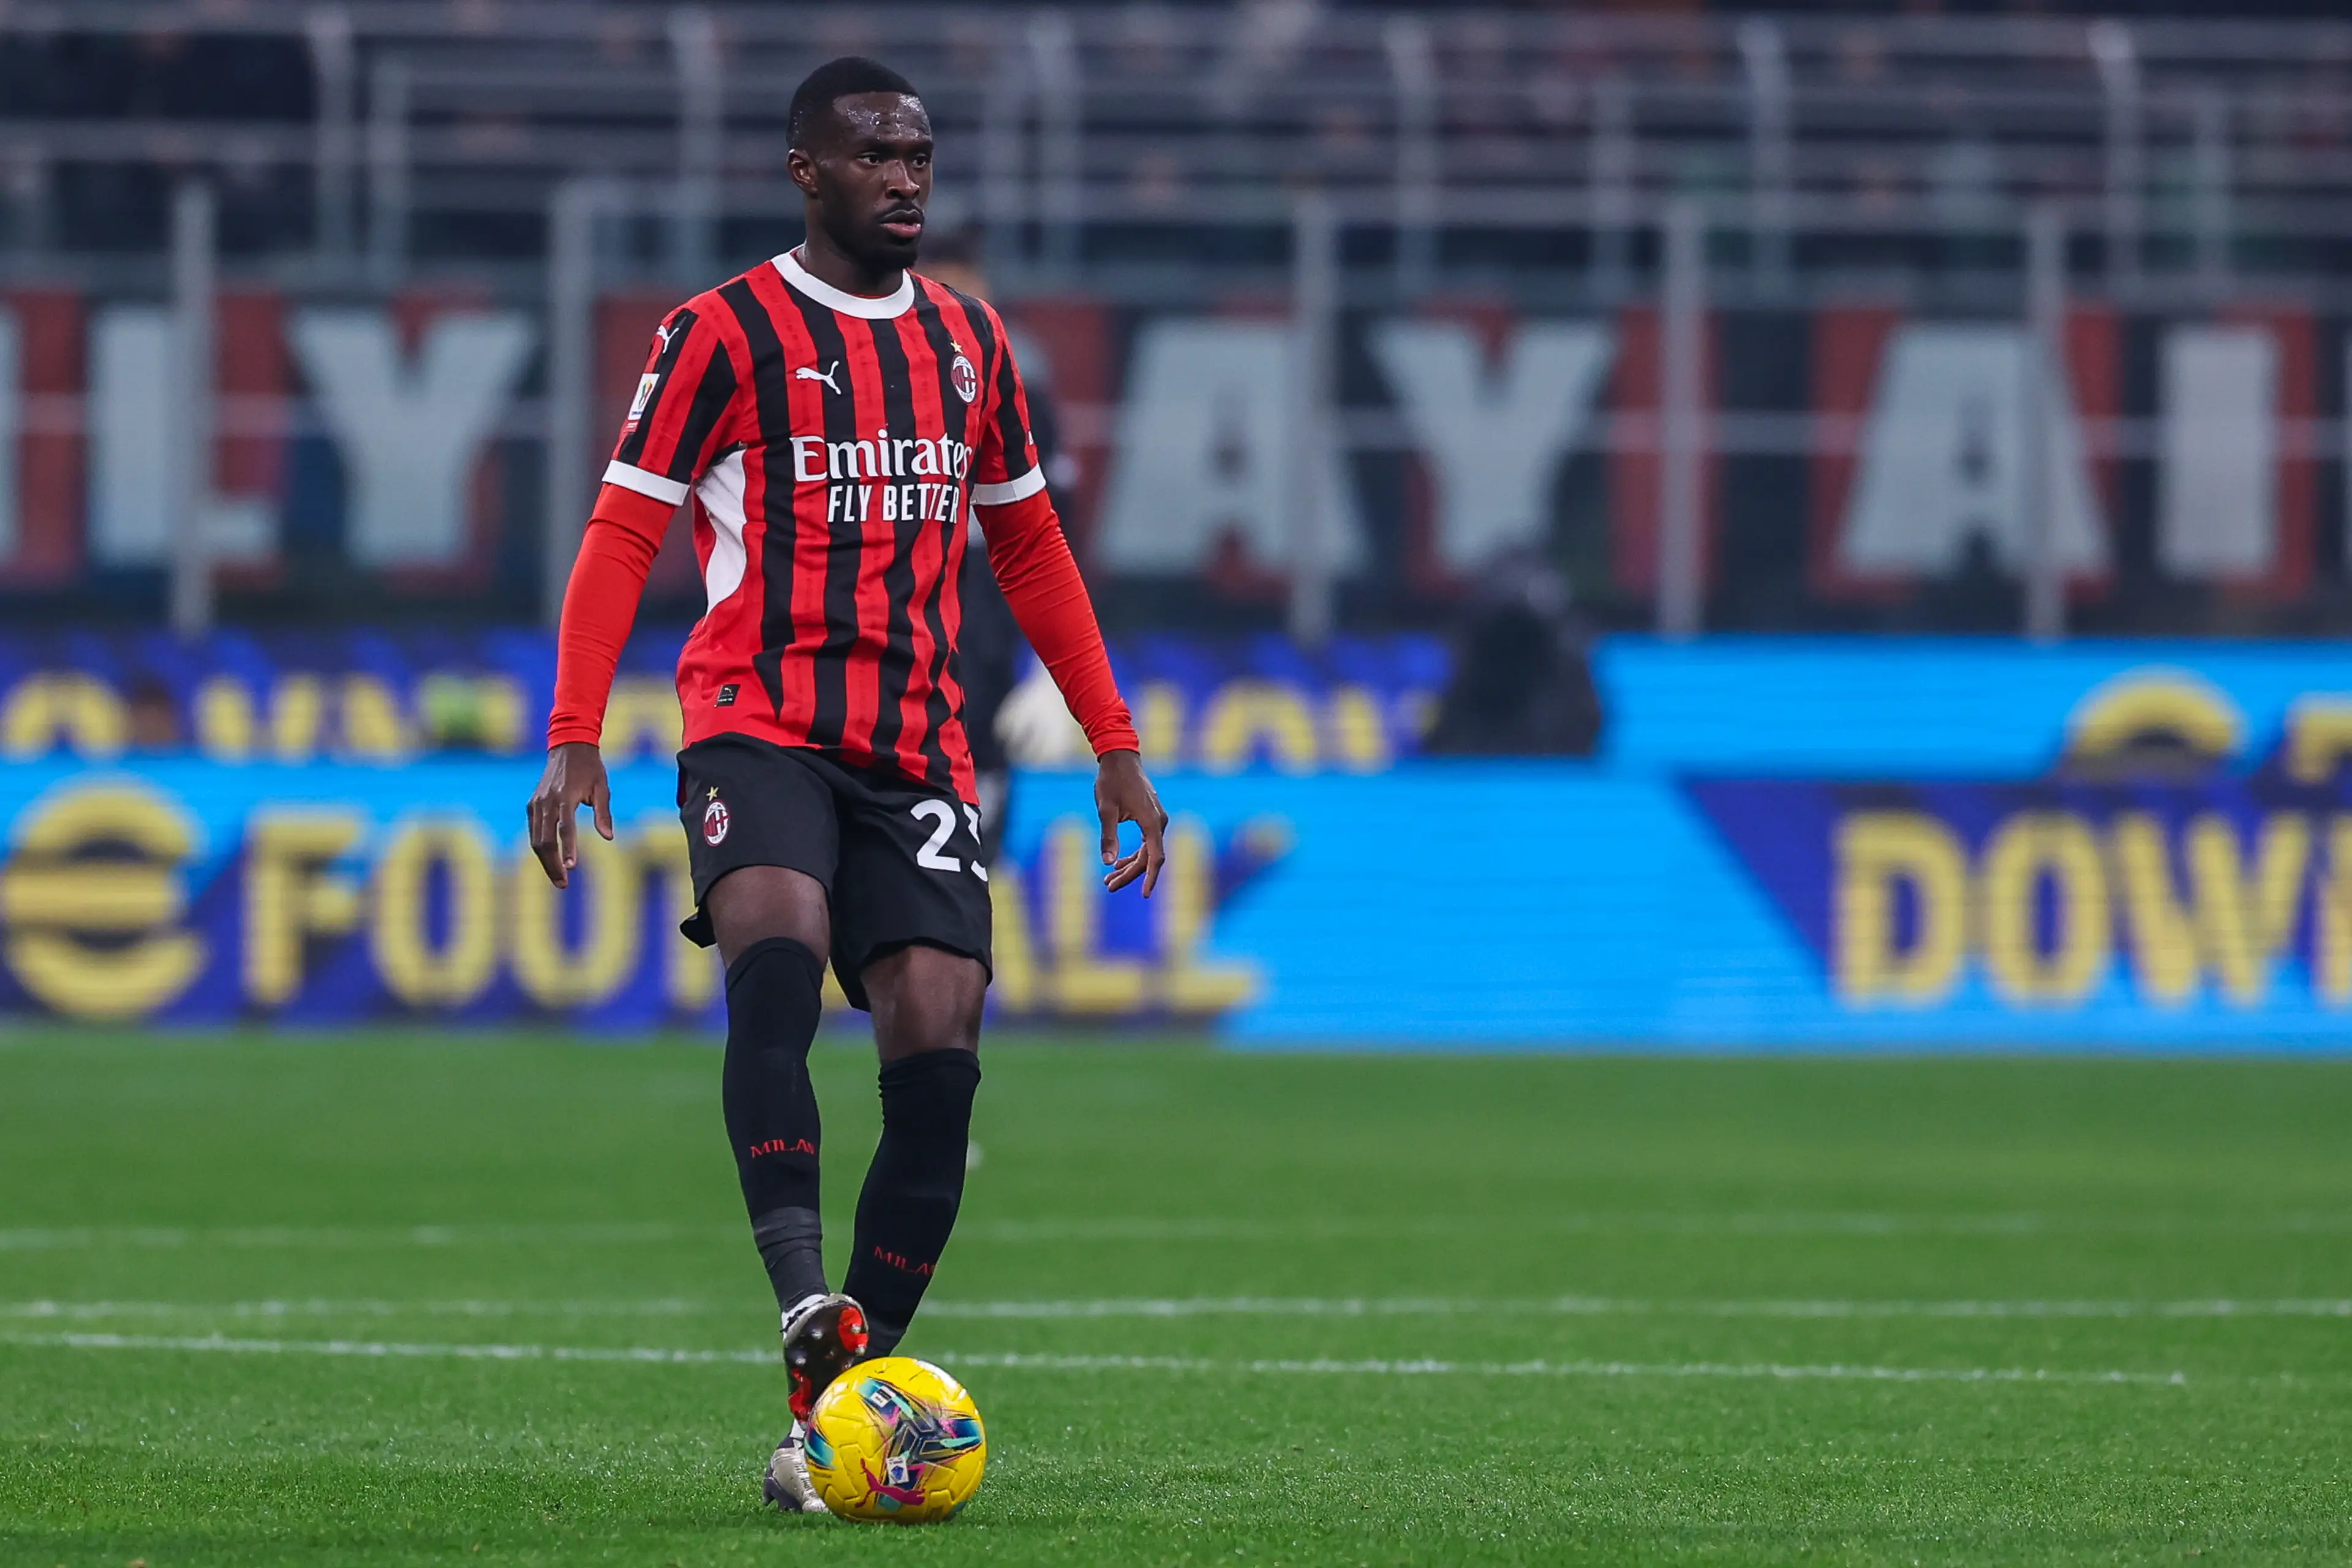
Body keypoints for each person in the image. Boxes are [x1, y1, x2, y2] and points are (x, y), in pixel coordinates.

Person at [523, 55, 1167, 1515]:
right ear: (805, 170)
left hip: (917, 742)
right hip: (757, 719)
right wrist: (574, 727)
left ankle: (833, 1403)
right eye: (875, 154)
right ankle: (804, 1293)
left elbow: (1031, 547)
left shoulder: (971, 344)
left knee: (942, 1037)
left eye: (920, 155)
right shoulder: (719, 333)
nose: (905, 178)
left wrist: (1114, 741)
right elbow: (622, 532)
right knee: (777, 944)